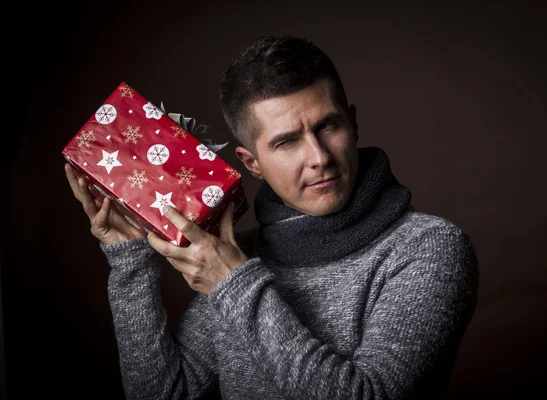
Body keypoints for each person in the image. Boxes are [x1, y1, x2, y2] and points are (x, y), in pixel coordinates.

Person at [64, 34, 479, 399]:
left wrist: (234, 286)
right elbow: (163, 393)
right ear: (252, 163)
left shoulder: (428, 247)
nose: (319, 158)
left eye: (328, 126)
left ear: (353, 124)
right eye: (286, 142)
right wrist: (130, 261)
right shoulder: (236, 258)